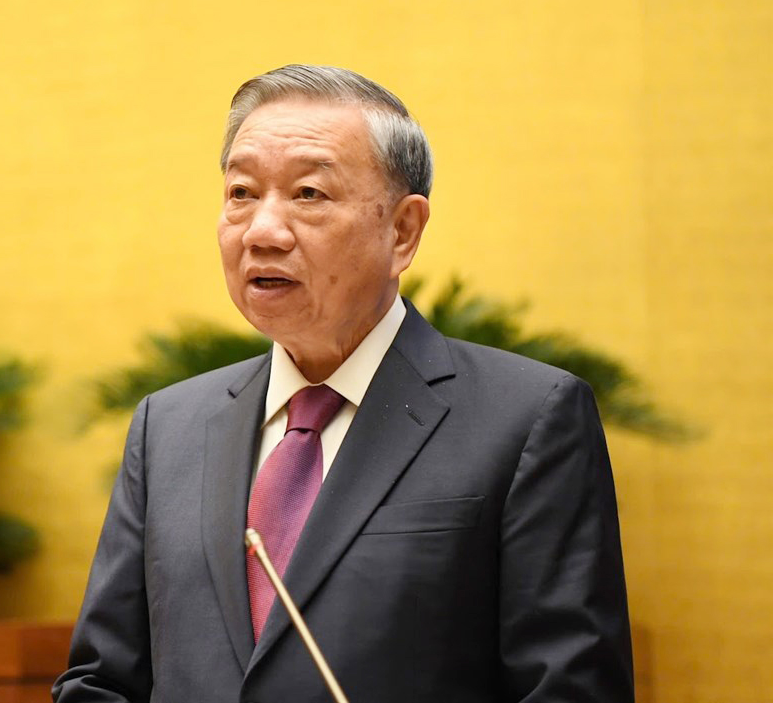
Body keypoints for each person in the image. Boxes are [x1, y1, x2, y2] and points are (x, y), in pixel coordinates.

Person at [53, 65, 634, 702]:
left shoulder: (527, 419)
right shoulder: (168, 427)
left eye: (308, 194)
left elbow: (569, 689)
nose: (262, 231)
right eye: (241, 192)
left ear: (403, 231)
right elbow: (101, 681)